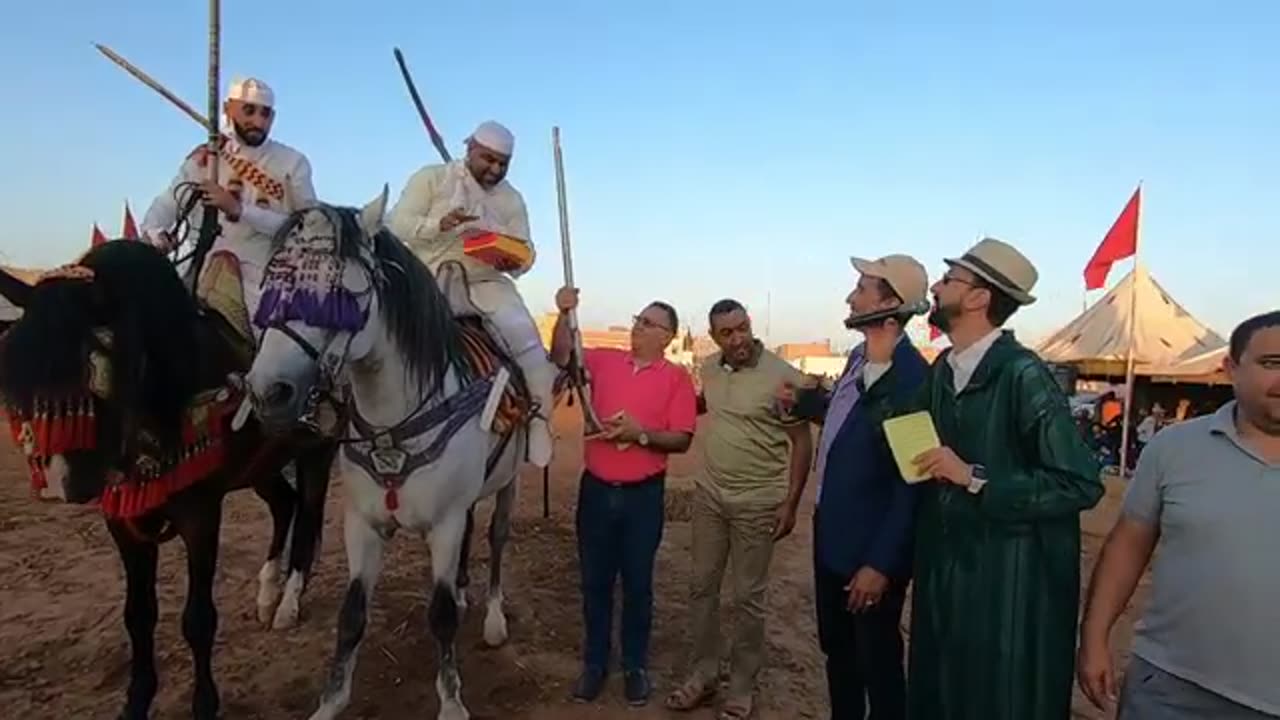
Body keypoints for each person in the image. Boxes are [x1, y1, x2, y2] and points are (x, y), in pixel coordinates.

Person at [865, 237, 1104, 720]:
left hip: (1010, 591)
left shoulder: (1022, 375)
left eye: (949, 279)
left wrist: (974, 478)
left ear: (978, 297)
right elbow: (897, 437)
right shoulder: (943, 371)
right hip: (944, 582)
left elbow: (1080, 483)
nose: (935, 286)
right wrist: (878, 359)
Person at [1078, 310, 1280, 719]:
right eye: (1271, 364)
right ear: (1230, 369)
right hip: (1173, 689)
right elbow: (1128, 545)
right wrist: (1094, 638)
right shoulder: (1174, 449)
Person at [781, 255, 931, 720]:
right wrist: (809, 404)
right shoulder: (857, 359)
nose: (850, 297)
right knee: (840, 658)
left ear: (890, 305)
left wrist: (881, 565)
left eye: (863, 288)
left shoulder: (911, 382)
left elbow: (914, 483)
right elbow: (854, 426)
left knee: (878, 666)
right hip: (833, 542)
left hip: (869, 557)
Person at [664, 299, 813, 720]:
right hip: (710, 497)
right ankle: (704, 675)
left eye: (742, 328)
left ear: (750, 325)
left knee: (748, 597)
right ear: (715, 338)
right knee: (700, 588)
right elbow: (698, 406)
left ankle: (742, 686)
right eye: (727, 333)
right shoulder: (710, 369)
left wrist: (790, 503)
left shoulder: (783, 377)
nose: (738, 339)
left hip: (758, 502)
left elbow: (802, 442)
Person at [550, 286, 697, 707]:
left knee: (637, 585)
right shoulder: (603, 359)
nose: (638, 327)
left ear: (666, 336)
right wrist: (564, 313)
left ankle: (634, 666)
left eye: (648, 323)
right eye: (638, 318)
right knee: (595, 582)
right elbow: (562, 356)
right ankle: (595, 665)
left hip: (643, 498)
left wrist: (640, 435)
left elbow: (682, 439)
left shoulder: (676, 379)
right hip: (595, 491)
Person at [386, 121, 556, 467]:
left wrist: (512, 257)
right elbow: (397, 223)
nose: (494, 169)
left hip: (485, 284)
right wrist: (440, 225)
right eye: (488, 160)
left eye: (502, 164)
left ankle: (539, 420)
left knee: (528, 341)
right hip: (427, 282)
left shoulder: (511, 199)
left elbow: (527, 253)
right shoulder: (431, 179)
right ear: (470, 150)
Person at [141, 76, 316, 334]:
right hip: (203, 264)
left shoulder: (292, 163)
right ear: (227, 109)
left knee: (279, 347)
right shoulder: (207, 157)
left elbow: (306, 228)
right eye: (249, 110)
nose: (258, 121)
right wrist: (156, 234)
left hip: (264, 271)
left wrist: (238, 209)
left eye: (265, 114)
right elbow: (168, 203)